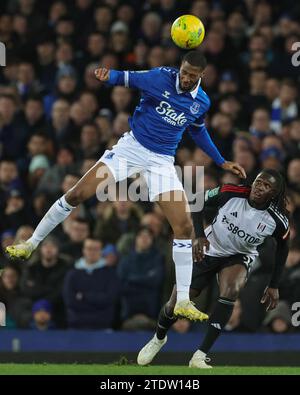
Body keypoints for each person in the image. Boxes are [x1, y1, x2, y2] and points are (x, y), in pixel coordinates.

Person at [6, 51, 245, 322]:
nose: (187, 78)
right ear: (180, 68)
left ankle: (182, 301)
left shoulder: (201, 101)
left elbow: (198, 130)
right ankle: (31, 244)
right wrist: (108, 76)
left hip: (162, 160)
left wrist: (221, 161)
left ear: (202, 75)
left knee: (184, 226)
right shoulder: (160, 77)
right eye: (184, 71)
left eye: (193, 75)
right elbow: (128, 78)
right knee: (77, 194)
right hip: (131, 149)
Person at [137, 169, 289, 368]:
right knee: (176, 303)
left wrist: (274, 284)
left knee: (231, 290)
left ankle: (200, 355)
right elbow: (197, 203)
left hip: (238, 256)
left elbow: (283, 249)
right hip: (209, 247)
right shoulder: (230, 192)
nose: (260, 188)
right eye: (259, 182)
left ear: (274, 194)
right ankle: (159, 338)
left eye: (267, 186)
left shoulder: (278, 220)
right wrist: (199, 235)